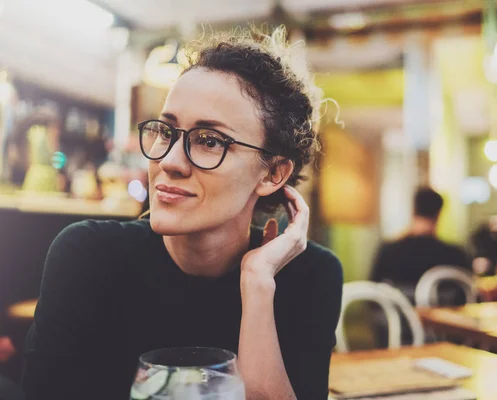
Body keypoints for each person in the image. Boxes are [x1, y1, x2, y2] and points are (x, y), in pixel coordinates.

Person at [21, 27, 343, 400]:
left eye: (209, 141)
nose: (168, 161)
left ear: (273, 174)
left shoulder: (310, 275)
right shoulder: (89, 255)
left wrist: (257, 283)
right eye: (165, 130)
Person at [370, 187, 470, 297]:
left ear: (413, 209)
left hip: (398, 314)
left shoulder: (388, 250)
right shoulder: (455, 255)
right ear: (439, 214)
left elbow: (372, 290)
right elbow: (469, 291)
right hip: (441, 313)